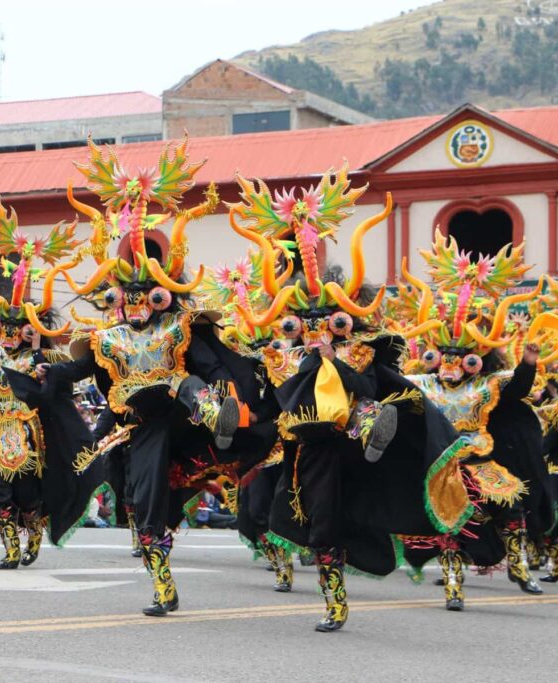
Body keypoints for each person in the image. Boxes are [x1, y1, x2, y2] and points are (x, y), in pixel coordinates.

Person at [228, 169, 468, 632]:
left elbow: (375, 380)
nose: (318, 332)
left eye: (329, 324)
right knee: (320, 528)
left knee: (364, 408)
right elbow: (272, 406)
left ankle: (370, 426)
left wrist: (335, 363)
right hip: (307, 451)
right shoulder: (285, 359)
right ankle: (334, 604)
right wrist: (241, 419)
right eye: (306, 324)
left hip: (352, 443)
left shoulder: (357, 350)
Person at [38, 138, 265, 616]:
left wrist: (228, 394)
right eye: (129, 296)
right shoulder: (110, 338)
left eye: (149, 295)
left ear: (163, 293)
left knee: (183, 383)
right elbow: (81, 369)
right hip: (140, 427)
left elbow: (213, 364)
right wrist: (50, 374)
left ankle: (218, 419)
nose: (138, 305)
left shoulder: (181, 327)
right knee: (144, 503)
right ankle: (164, 587)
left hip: (186, 417)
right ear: (117, 297)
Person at [0, 198, 102, 571]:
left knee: (27, 494)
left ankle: (34, 531)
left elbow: (54, 390)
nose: (8, 337)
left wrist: (43, 355)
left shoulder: (39, 361)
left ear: (27, 333)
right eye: (3, 330)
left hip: (27, 437)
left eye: (16, 332)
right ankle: (10, 549)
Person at [394, 233, 554, 607]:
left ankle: (519, 567)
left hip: (481, 461)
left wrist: (529, 363)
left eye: (463, 358)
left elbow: (516, 388)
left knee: (512, 509)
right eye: (444, 355)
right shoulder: (424, 383)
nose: (452, 365)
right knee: (448, 525)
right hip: (443, 465)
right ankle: (453, 586)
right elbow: (393, 385)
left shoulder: (488, 384)